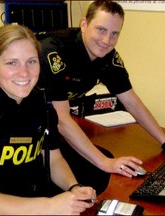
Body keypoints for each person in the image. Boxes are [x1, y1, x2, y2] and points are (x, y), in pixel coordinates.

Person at [0, 24, 96, 215]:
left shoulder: (38, 100)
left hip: (31, 204)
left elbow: (52, 158)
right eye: (12, 63)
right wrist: (50, 206)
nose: (24, 73)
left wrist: (73, 187)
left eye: (31, 62)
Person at [38, 0, 165, 193]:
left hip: (49, 121)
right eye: (101, 30)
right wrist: (105, 162)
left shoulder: (107, 56)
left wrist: (164, 140)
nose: (107, 40)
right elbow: (62, 119)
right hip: (15, 125)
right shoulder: (54, 52)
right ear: (83, 24)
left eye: (114, 34)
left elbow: (131, 101)